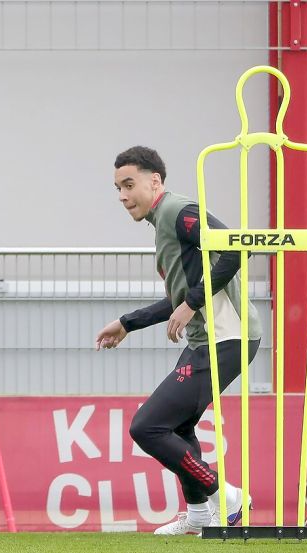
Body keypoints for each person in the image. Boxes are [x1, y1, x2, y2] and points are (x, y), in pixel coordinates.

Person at [95, 146, 262, 535]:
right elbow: (180, 297)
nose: (122, 196)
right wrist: (128, 322)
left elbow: (238, 247)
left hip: (227, 338)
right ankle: (200, 517)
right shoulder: (162, 221)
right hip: (208, 340)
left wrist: (192, 302)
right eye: (118, 187)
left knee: (147, 427)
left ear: (156, 181)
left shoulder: (175, 211)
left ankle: (230, 497)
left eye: (129, 184)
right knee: (180, 430)